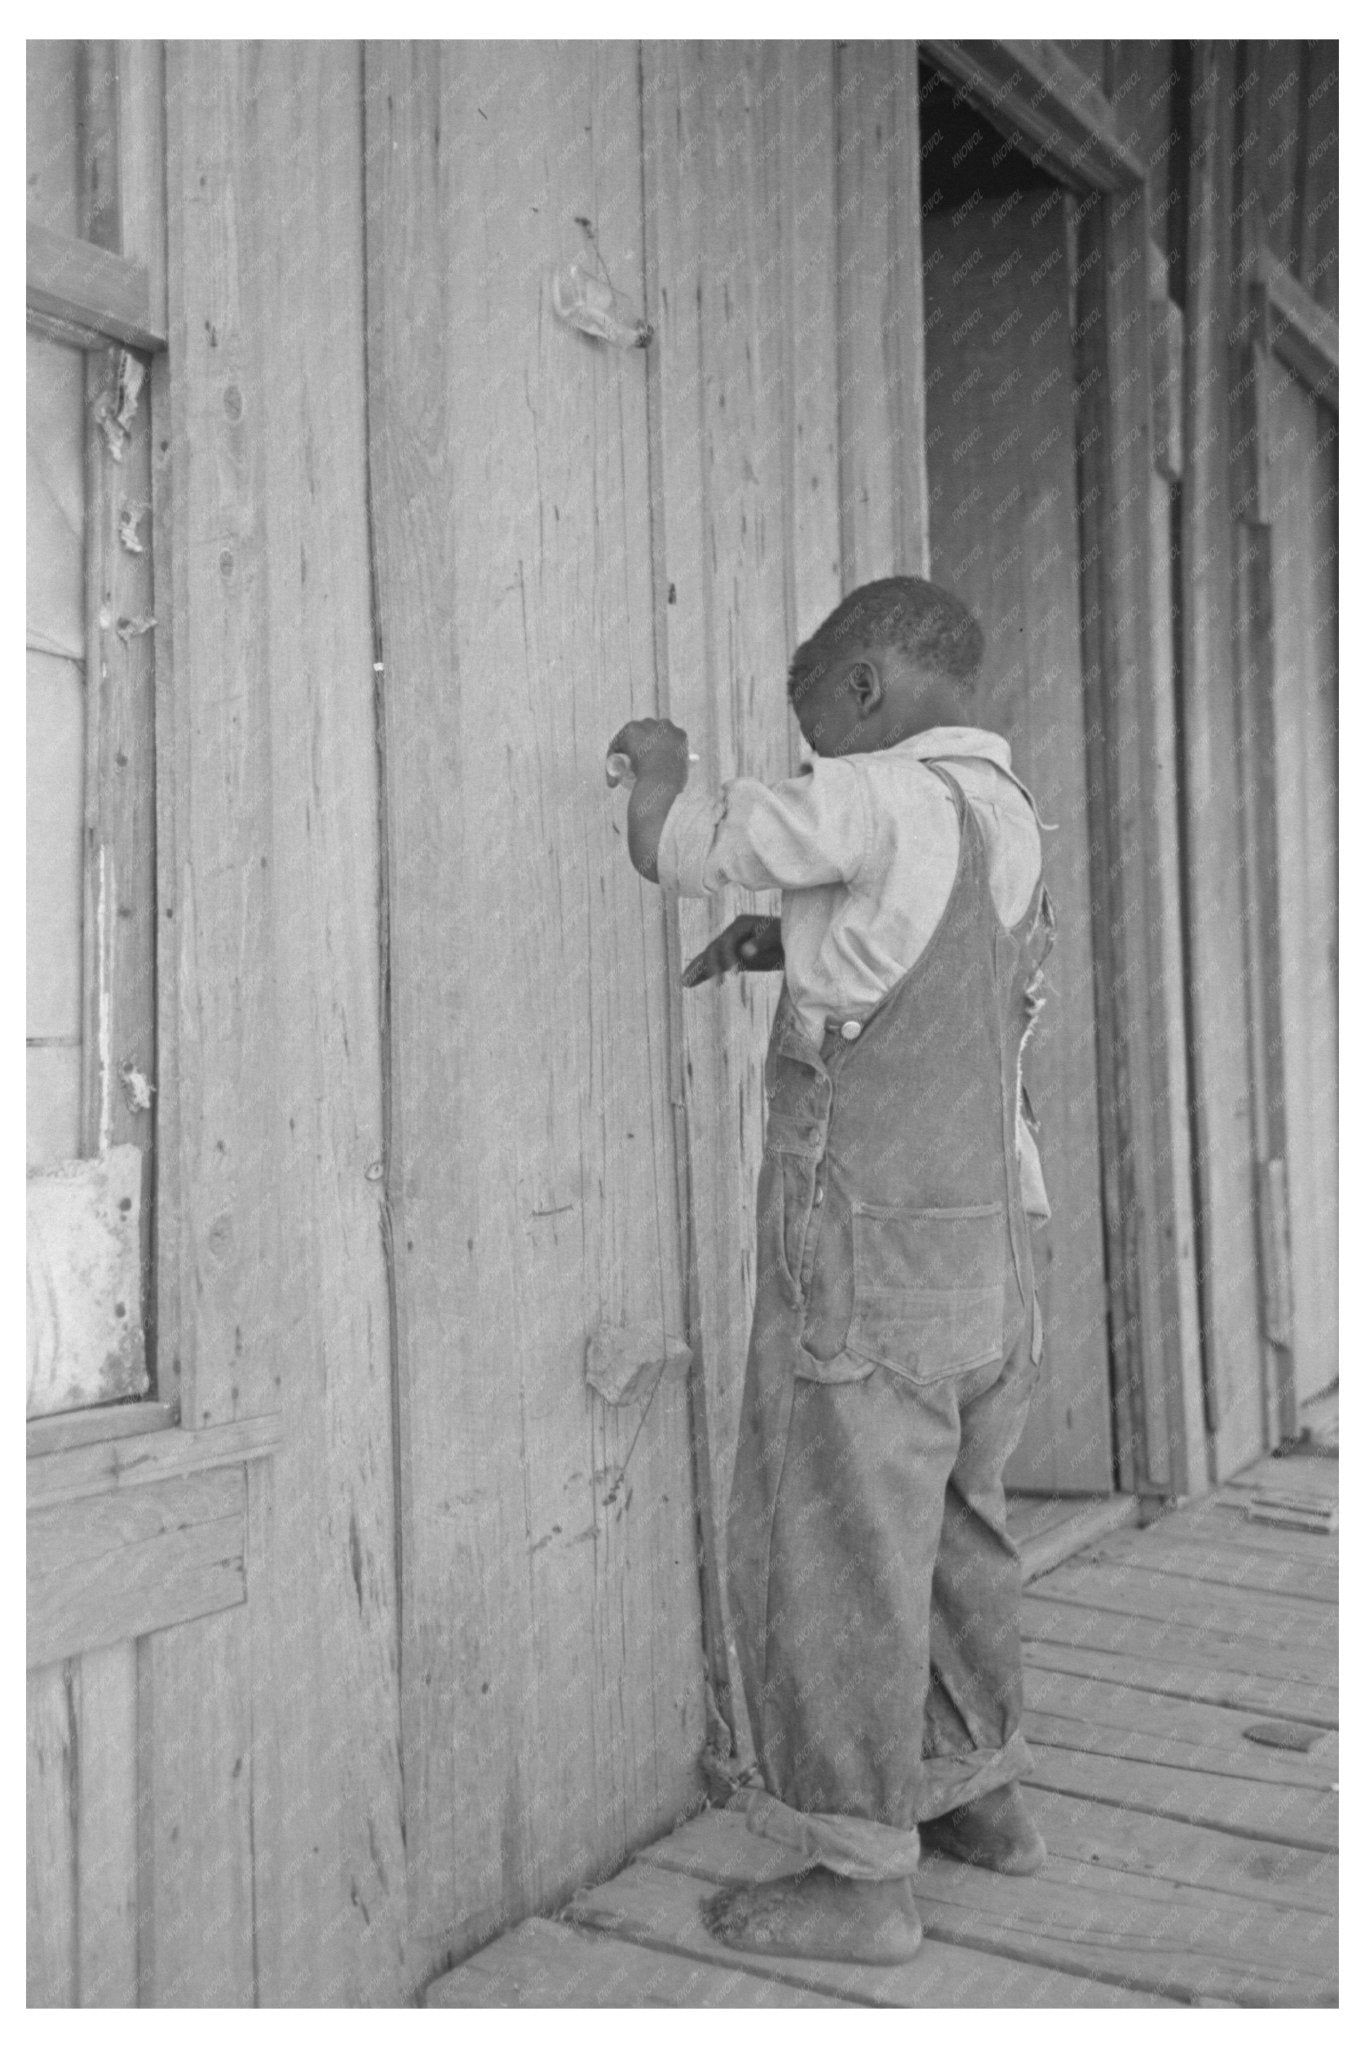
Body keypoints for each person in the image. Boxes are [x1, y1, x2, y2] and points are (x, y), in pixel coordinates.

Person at [607, 574, 1054, 1966]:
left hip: (869, 1257)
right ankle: (979, 1792)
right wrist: (786, 942)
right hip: (993, 1258)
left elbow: (679, 844)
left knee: (837, 1548)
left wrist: (661, 765)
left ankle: (863, 1879)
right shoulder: (1000, 814)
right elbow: (924, 959)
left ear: (859, 691)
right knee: (959, 1529)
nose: (803, 743)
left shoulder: (866, 795)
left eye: (806, 712)